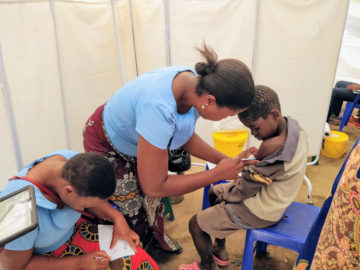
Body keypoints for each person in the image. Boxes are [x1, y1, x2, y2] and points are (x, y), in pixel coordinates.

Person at [83, 43, 257, 252]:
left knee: (150, 204)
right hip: (107, 142)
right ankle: (133, 255)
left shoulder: (196, 84)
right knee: (127, 207)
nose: (227, 119)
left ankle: (152, 241)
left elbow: (184, 134)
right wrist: (215, 175)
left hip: (139, 137)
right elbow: (155, 186)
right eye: (229, 114)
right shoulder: (158, 109)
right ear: (210, 101)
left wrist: (224, 161)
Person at [179, 85, 309, 270]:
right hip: (277, 200)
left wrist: (229, 188)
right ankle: (220, 250)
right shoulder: (294, 128)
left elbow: (244, 190)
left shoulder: (270, 147)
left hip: (261, 211)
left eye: (255, 127)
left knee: (196, 224)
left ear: (274, 114)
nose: (254, 134)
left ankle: (207, 265)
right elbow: (261, 175)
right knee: (214, 192)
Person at [0, 150, 159, 270]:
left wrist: (117, 218)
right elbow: (15, 267)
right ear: (68, 191)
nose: (86, 209)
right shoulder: (18, 211)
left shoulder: (73, 163)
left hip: (74, 235)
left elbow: (93, 200)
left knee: (140, 262)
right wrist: (79, 263)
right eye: (84, 206)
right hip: (41, 260)